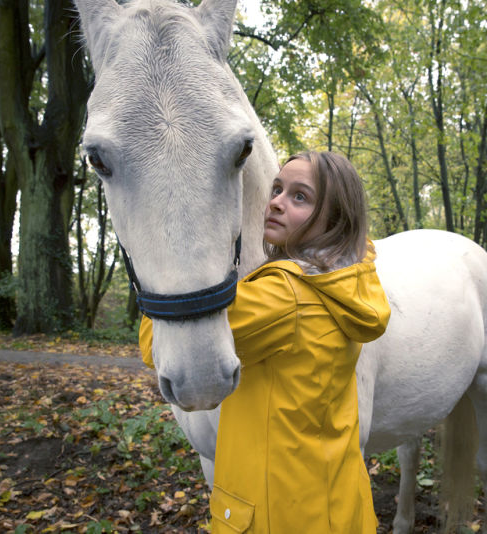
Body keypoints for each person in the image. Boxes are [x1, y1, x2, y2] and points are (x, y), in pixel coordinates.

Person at [139, 151, 391, 533]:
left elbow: (157, 344)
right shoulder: (347, 281)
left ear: (334, 219)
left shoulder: (282, 297)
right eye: (278, 188)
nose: (275, 202)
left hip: (275, 513)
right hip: (337, 506)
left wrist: (169, 270)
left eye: (299, 196)